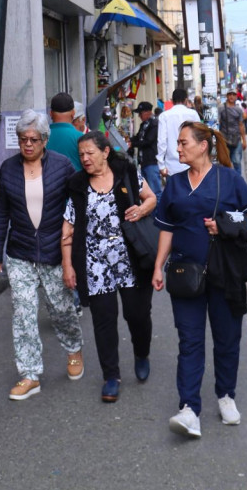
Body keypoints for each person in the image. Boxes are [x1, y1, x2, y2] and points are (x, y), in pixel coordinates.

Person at [152, 122, 247, 438]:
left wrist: (227, 222)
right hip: (185, 275)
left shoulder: (228, 179)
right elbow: (166, 229)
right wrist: (158, 266)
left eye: (183, 142)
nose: (178, 148)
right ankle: (189, 409)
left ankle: (226, 396)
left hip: (225, 273)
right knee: (189, 341)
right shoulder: (174, 184)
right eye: (178, 143)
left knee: (227, 338)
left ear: (203, 146)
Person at [0, 109, 83, 401]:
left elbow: (75, 207)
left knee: (61, 309)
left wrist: (74, 251)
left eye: (33, 139)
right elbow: (0, 213)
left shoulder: (62, 166)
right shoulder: (8, 169)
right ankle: (30, 374)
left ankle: (73, 348)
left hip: (55, 253)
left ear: (45, 140)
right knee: (24, 312)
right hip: (20, 253)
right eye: (22, 139)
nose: (27, 145)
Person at [62, 131, 157, 403]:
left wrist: (141, 210)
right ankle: (111, 376)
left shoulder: (126, 172)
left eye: (90, 153)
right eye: (81, 155)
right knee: (104, 321)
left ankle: (141, 352)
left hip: (130, 256)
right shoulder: (77, 185)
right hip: (94, 262)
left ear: (105, 152)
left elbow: (151, 198)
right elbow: (67, 228)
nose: (85, 159)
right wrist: (68, 266)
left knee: (137, 315)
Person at [157, 88, 200, 184]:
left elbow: (162, 142)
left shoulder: (164, 116)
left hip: (172, 167)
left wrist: (161, 165)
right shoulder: (193, 114)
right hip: (192, 164)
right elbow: (199, 137)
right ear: (186, 100)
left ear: (172, 101)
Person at [128, 101, 162, 201]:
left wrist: (133, 144)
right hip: (144, 162)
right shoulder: (144, 125)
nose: (139, 116)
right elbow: (138, 137)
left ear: (148, 112)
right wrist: (129, 140)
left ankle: (157, 214)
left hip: (151, 161)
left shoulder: (154, 124)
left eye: (140, 113)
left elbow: (148, 141)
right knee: (145, 192)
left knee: (155, 191)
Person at [47, 91, 83, 171]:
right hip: (74, 182)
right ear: (73, 113)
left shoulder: (40, 138)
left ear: (50, 113)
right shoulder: (81, 138)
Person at [217, 90, 247, 175]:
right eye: (230, 94)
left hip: (236, 139)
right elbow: (217, 122)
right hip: (224, 140)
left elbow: (241, 125)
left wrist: (244, 140)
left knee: (237, 162)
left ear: (236, 97)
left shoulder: (238, 109)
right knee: (225, 163)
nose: (231, 96)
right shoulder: (221, 108)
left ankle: (238, 183)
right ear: (227, 96)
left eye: (233, 95)